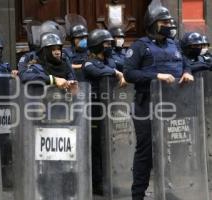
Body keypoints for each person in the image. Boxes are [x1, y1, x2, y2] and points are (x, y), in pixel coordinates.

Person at [123, 6, 193, 200]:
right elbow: (129, 73)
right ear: (153, 24)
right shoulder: (139, 46)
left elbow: (185, 63)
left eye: (170, 22)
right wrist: (156, 76)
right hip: (146, 106)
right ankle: (138, 195)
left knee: (172, 150)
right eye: (165, 22)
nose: (169, 25)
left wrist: (187, 72)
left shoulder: (175, 44)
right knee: (146, 152)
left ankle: (167, 190)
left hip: (173, 106)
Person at [82, 28, 125, 195]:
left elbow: (126, 68)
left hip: (110, 109)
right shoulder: (88, 63)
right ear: (96, 45)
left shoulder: (111, 61)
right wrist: (116, 73)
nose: (109, 46)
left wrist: (121, 73)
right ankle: (97, 183)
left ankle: (108, 180)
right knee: (96, 148)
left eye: (109, 43)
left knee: (109, 145)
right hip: (94, 111)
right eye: (106, 43)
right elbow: (99, 72)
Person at [64, 14, 89, 81]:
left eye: (85, 37)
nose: (83, 40)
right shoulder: (66, 52)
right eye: (80, 38)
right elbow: (66, 66)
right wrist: (83, 66)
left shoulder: (90, 51)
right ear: (73, 40)